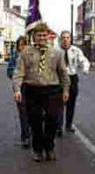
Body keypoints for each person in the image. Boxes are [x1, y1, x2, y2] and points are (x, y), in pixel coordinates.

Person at [13, 23, 70, 162]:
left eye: (44, 35)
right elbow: (18, 73)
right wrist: (17, 89)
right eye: (39, 35)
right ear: (34, 37)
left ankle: (49, 147)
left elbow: (63, 73)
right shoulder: (26, 53)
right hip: (33, 90)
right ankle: (38, 150)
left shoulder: (57, 53)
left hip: (52, 90)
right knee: (35, 121)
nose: (42, 38)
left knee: (53, 119)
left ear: (48, 36)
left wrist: (66, 89)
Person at [56, 30, 90, 136]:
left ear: (70, 39)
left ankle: (68, 124)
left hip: (72, 78)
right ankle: (59, 127)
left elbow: (83, 60)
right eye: (63, 38)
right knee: (59, 104)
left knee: (71, 103)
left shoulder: (76, 50)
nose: (65, 40)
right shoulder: (56, 51)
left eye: (67, 38)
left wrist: (85, 68)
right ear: (60, 40)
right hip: (59, 79)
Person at [7, 36, 30, 148]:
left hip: (32, 86)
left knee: (33, 112)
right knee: (23, 111)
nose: (22, 47)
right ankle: (25, 136)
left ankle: (32, 134)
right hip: (20, 87)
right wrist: (17, 74)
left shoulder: (32, 56)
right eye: (20, 45)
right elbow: (9, 72)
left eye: (24, 44)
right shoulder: (15, 57)